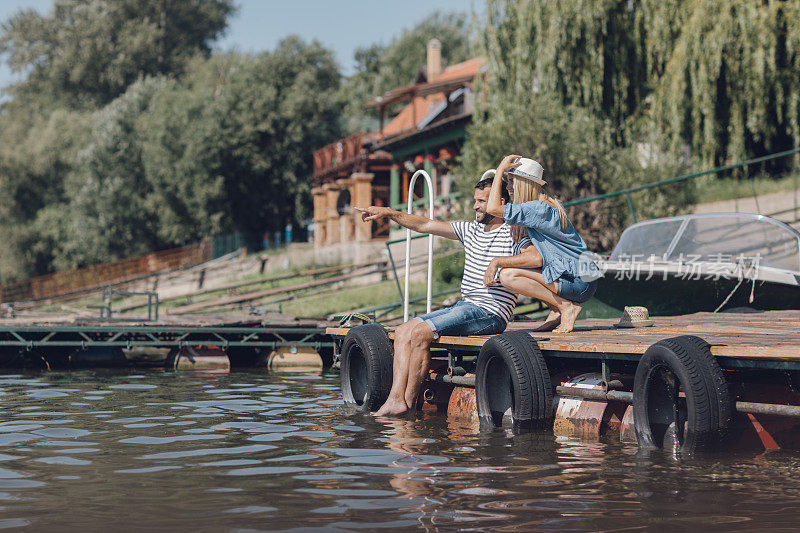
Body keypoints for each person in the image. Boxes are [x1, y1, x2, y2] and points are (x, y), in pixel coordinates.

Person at [354, 177, 530, 417]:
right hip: (466, 306)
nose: (475, 206)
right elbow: (424, 225)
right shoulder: (470, 230)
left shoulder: (515, 232)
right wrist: (387, 212)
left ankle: (404, 402)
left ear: (500, 203)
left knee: (419, 333)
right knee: (403, 331)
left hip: (490, 312)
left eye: (481, 201)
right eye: (475, 201)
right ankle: (397, 400)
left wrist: (501, 264)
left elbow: (535, 257)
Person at [485, 155, 599, 334]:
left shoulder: (538, 209)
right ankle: (556, 310)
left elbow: (492, 209)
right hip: (582, 278)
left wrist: (499, 169)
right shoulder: (543, 205)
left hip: (578, 281)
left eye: (511, 181)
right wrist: (518, 224)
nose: (507, 187)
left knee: (508, 275)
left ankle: (566, 307)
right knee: (514, 263)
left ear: (524, 184)